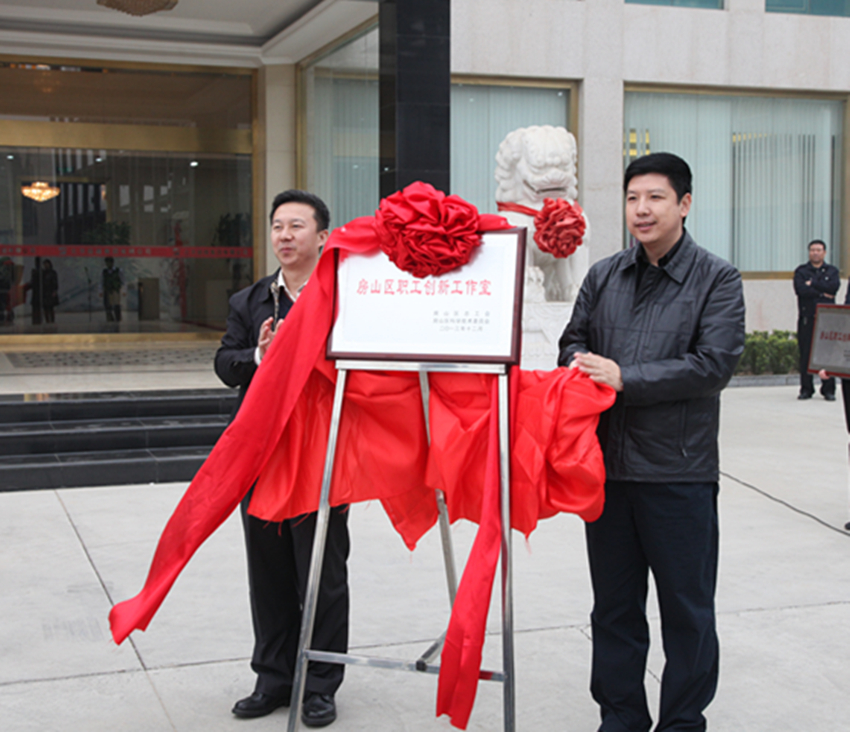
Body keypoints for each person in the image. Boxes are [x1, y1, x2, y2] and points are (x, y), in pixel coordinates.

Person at [558, 152, 745, 732]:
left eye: (656, 197)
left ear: (684, 204)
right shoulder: (603, 275)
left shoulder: (717, 279)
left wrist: (625, 379)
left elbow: (713, 365)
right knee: (614, 609)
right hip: (607, 473)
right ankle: (620, 718)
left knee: (687, 611)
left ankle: (683, 721)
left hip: (678, 473)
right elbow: (571, 342)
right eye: (633, 198)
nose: (642, 209)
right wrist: (579, 363)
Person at [214, 190, 347, 728]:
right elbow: (225, 363)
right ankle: (273, 678)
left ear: (322, 236)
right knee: (266, 571)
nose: (284, 236)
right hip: (262, 453)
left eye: (296, 226)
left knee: (321, 573)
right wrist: (259, 354)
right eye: (277, 227)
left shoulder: (343, 298)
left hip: (321, 453)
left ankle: (320, 684)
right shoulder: (249, 301)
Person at [794, 239, 839, 400]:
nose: (815, 253)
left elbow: (833, 288)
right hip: (807, 318)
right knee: (806, 354)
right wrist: (822, 293)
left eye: (819, 250)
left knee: (827, 354)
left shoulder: (832, 271)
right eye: (812, 250)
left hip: (827, 319)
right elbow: (801, 290)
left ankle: (828, 389)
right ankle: (806, 389)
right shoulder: (801, 271)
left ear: (824, 253)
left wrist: (812, 283)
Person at [102, 256, 122, 322]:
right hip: (108, 290)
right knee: (108, 305)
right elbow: (102, 281)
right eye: (106, 263)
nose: (108, 264)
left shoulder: (118, 270)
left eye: (109, 262)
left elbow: (122, 280)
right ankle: (110, 319)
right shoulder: (104, 271)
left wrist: (123, 289)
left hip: (115, 290)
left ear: (112, 263)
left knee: (116, 305)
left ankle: (118, 318)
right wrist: (101, 290)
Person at [41, 259, 58, 324]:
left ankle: (52, 320)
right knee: (45, 308)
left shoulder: (53, 273)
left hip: (50, 291)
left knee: (51, 307)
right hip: (45, 292)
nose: (46, 265)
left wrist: (54, 290)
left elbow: (55, 282)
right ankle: (47, 320)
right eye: (44, 264)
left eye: (46, 264)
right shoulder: (43, 273)